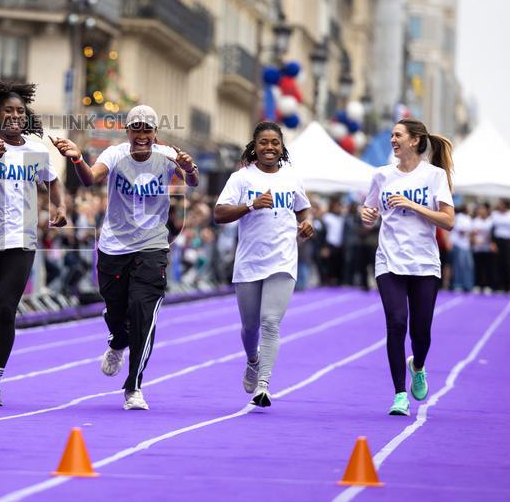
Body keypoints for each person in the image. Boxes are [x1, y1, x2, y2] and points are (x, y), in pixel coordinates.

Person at [51, 105, 199, 410]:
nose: (142, 135)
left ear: (155, 133)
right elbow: (91, 178)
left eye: (148, 129)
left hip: (152, 246)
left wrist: (189, 168)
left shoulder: (167, 155)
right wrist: (78, 159)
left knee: (142, 314)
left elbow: (192, 181)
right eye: (137, 129)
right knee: (117, 312)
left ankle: (134, 386)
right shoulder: (115, 154)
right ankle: (118, 340)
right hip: (114, 247)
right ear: (128, 132)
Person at [0, 75, 66, 406]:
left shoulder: (37, 150)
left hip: (21, 241)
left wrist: (59, 206)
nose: (15, 116)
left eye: (20, 112)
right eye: (8, 111)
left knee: (7, 310)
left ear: (26, 116)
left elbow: (52, 181)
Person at [214, 122, 314, 407]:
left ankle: (264, 384)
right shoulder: (241, 179)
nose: (269, 147)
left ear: (282, 147)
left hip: (282, 260)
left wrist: (307, 222)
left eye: (275, 142)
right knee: (250, 327)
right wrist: (250, 206)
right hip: (249, 262)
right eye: (263, 142)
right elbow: (219, 213)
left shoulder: (292, 178)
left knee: (271, 322)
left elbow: (303, 207)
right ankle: (252, 359)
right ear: (254, 147)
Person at [360, 118, 454, 416]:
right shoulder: (381, 175)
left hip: (425, 262)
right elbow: (370, 210)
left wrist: (413, 205)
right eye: (391, 135)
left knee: (421, 333)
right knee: (397, 323)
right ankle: (400, 394)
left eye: (397, 135)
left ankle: (419, 365)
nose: (392, 140)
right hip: (389, 260)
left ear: (414, 140)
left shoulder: (434, 175)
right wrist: (367, 214)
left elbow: (448, 221)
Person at [493, 200, 510, 292]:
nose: (499, 206)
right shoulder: (495, 215)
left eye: (501, 204)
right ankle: (497, 286)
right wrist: (493, 242)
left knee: (507, 263)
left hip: (507, 241)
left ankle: (507, 286)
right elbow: (492, 229)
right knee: (497, 263)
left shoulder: (509, 215)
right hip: (498, 241)